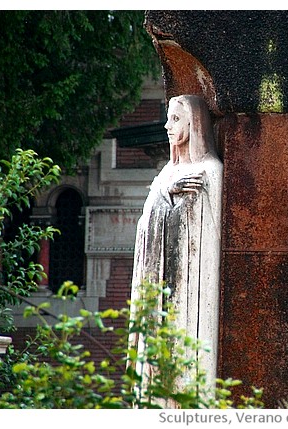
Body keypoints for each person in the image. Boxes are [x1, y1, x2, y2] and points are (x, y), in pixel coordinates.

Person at [129, 94, 223, 406]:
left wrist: (177, 203)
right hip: (157, 283)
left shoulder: (210, 170)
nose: (168, 126)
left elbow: (204, 231)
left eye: (176, 119)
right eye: (169, 118)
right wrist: (166, 194)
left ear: (194, 124)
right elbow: (145, 224)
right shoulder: (165, 175)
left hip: (190, 287)